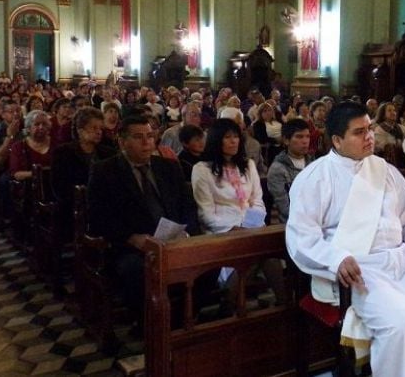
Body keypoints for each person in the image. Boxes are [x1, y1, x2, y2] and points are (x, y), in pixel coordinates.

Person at [286, 102, 405, 377]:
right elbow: (302, 237)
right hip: (359, 271)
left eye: (369, 128)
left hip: (403, 262)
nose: (369, 136)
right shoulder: (315, 178)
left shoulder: (386, 171)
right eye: (359, 132)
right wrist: (336, 259)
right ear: (336, 140)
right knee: (401, 325)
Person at [87, 115, 195, 319]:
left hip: (173, 239)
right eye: (138, 137)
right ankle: (149, 322)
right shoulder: (105, 171)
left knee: (208, 263)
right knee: (136, 270)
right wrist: (132, 237)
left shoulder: (169, 167)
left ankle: (178, 317)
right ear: (122, 141)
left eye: (150, 136)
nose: (146, 143)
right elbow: (98, 217)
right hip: (133, 246)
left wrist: (187, 232)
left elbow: (187, 206)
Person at [191, 118, 285, 307]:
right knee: (255, 253)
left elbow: (257, 200)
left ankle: (285, 305)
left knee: (266, 253)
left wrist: (252, 223)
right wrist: (232, 228)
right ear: (217, 140)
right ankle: (228, 302)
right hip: (222, 231)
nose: (234, 141)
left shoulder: (248, 165)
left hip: (251, 226)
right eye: (228, 137)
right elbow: (205, 213)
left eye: (236, 137)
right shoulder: (202, 169)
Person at [51, 107, 116, 241]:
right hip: (74, 206)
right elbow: (60, 187)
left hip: (105, 203)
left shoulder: (108, 152)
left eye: (100, 128)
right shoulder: (63, 153)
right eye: (94, 128)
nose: (99, 132)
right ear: (80, 131)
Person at [267, 119, 311, 223]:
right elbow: (285, 207)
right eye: (299, 136)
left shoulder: (314, 163)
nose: (305, 141)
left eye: (307, 136)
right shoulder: (277, 169)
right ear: (286, 140)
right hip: (289, 225)